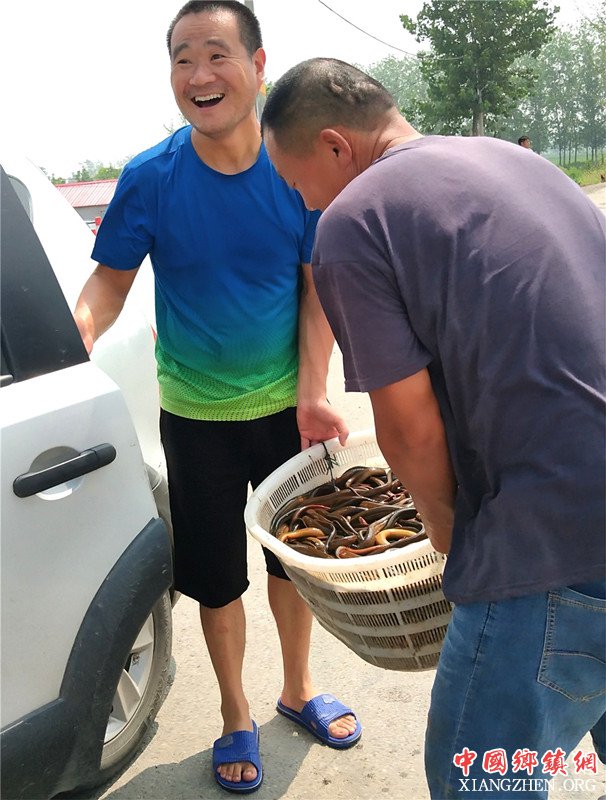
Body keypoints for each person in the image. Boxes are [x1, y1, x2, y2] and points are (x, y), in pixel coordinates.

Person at [261, 58, 606, 800]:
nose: (303, 203)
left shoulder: (354, 220)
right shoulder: (521, 163)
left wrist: (449, 538)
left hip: (552, 538)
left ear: (334, 146)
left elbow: (409, 426)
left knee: (474, 779)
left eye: (294, 184)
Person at [73, 11, 362, 795]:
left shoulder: (293, 167)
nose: (198, 75)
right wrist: (77, 332)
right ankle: (235, 713)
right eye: (182, 59)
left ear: (259, 65)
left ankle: (297, 688)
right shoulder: (151, 176)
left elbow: (315, 290)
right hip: (194, 418)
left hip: (288, 412)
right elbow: (110, 282)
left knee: (296, 562)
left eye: (216, 55)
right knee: (217, 579)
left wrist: (313, 390)